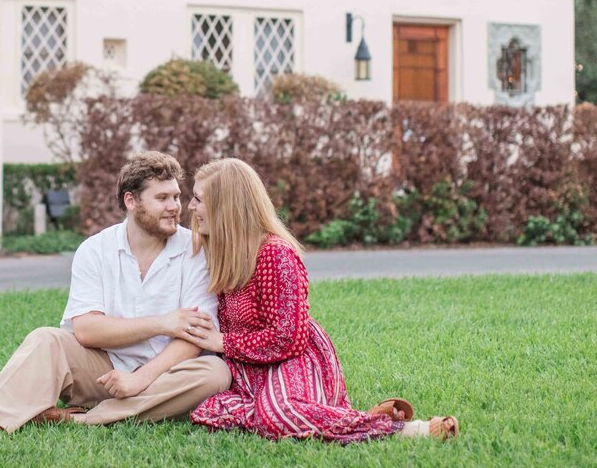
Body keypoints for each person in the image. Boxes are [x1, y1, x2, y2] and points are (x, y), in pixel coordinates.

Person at [0, 151, 231, 433]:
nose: (176, 207)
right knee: (47, 338)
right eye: (162, 198)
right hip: (103, 369)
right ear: (131, 201)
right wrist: (163, 322)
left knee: (215, 372)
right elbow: (87, 330)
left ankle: (78, 420)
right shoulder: (95, 250)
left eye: (176, 197)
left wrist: (140, 379)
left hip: (168, 374)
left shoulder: (195, 250)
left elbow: (194, 337)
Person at [182, 158, 459, 443]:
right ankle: (344, 416)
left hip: (292, 359)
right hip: (250, 371)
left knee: (278, 415)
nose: (190, 206)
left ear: (225, 206)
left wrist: (223, 343)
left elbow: (288, 338)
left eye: (198, 199)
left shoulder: (275, 255)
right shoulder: (220, 252)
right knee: (210, 411)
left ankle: (407, 431)